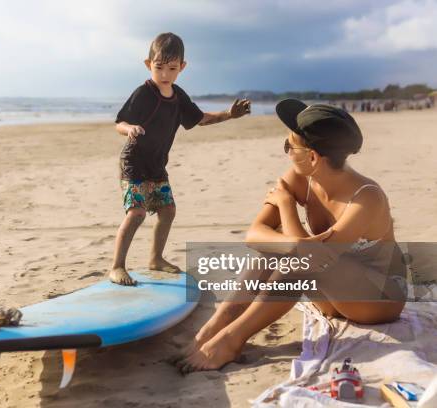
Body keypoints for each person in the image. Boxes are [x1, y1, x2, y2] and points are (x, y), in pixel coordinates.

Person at [174, 99, 407, 372]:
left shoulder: (366, 198)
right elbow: (255, 235)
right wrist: (292, 238)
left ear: (312, 157)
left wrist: (286, 206)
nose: (286, 152)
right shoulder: (300, 177)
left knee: (298, 257)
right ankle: (215, 326)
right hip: (331, 294)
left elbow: (312, 258)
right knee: (276, 249)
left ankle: (230, 340)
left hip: (378, 298)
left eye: (289, 146)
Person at [110, 32, 251, 285]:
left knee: (168, 210)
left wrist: (229, 114)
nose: (165, 74)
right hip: (134, 162)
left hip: (156, 165)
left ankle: (156, 258)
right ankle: (117, 266)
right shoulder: (144, 93)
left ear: (182, 68)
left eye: (172, 68)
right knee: (137, 213)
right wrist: (129, 129)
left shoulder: (178, 97)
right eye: (159, 67)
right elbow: (119, 122)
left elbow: (200, 119)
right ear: (148, 64)